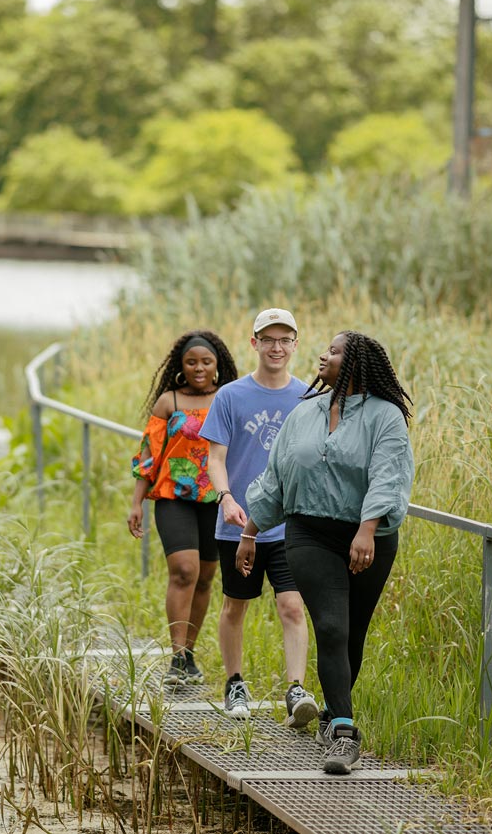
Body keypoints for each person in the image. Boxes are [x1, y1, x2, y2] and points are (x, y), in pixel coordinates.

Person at [242, 330, 414, 774]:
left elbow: (389, 475)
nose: (323, 355)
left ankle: (331, 713)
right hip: (308, 533)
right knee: (332, 627)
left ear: (355, 364)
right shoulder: (305, 412)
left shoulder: (385, 416)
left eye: (334, 352)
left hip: (368, 538)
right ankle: (343, 731)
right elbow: (276, 475)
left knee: (352, 634)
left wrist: (367, 529)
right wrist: (250, 532)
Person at [200, 308, 317, 724]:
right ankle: (235, 683)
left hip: (290, 527)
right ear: (254, 343)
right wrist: (226, 498)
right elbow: (215, 458)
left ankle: (296, 689)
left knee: (291, 606)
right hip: (236, 524)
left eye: (285, 340)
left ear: (295, 345)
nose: (276, 347)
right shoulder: (231, 396)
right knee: (236, 605)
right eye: (268, 339)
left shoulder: (308, 397)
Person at [128, 330, 239, 685]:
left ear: (217, 365)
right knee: (184, 571)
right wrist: (136, 503)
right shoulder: (168, 402)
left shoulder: (228, 398)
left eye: (206, 361)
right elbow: (148, 456)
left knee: (206, 576)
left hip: (215, 499)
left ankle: (189, 653)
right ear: (181, 365)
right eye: (191, 362)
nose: (198, 368)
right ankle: (177, 657)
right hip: (174, 497)